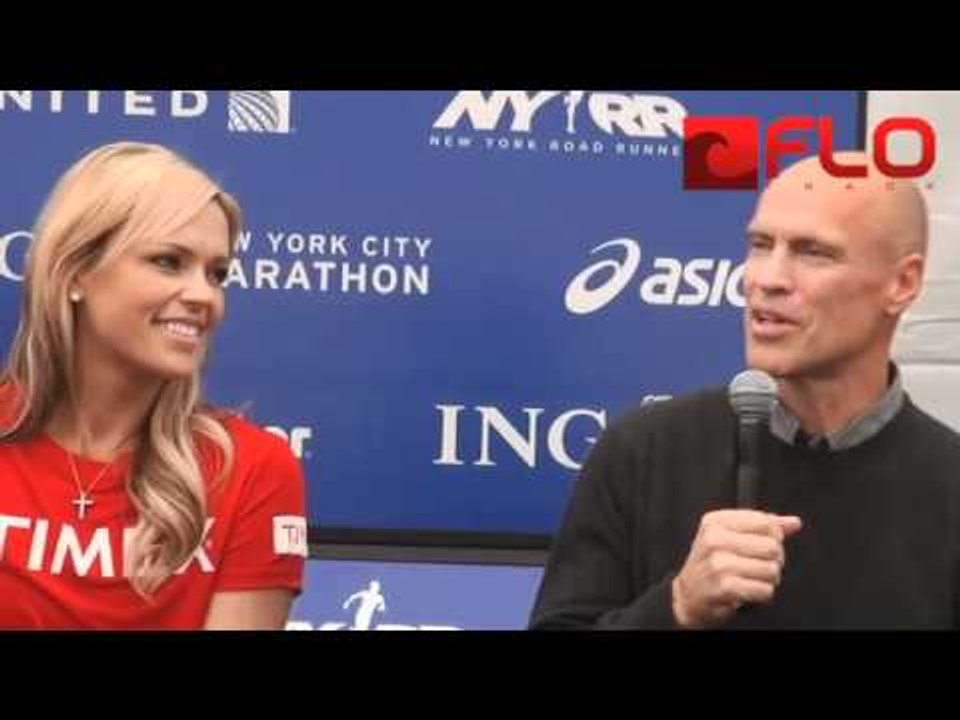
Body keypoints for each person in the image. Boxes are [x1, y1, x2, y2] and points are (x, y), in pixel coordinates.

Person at [529, 151, 960, 629]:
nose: (766, 279)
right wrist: (676, 606)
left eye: (813, 252)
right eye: (760, 244)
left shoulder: (947, 485)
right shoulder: (644, 451)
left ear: (903, 282)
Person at [0, 141, 308, 629]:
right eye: (168, 261)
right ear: (76, 271)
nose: (204, 295)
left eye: (218, 273)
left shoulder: (253, 470)